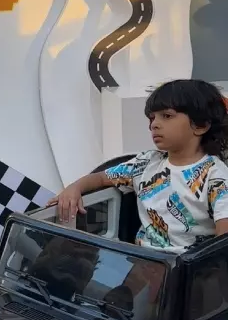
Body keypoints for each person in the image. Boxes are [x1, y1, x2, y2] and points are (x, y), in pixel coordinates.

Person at [50, 79, 228, 254]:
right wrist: (74, 188)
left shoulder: (217, 177)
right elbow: (101, 178)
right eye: (152, 118)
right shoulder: (145, 163)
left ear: (201, 125)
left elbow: (222, 246)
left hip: (190, 267)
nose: (154, 124)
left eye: (167, 116)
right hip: (142, 260)